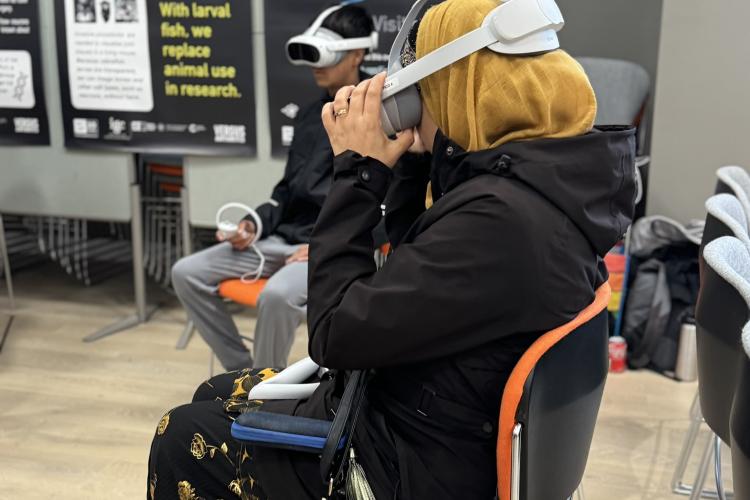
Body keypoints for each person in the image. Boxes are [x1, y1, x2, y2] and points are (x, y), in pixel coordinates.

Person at [148, 0, 637, 498]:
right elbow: (414, 260)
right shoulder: (537, 183)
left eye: (425, 89)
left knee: (180, 434)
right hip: (436, 419)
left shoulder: (496, 222)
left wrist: (358, 175)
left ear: (457, 87)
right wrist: (412, 159)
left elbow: (334, 334)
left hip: (405, 462)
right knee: (214, 391)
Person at [171, 5, 376, 371]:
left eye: (325, 54)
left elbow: (386, 204)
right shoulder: (309, 115)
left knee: (277, 296)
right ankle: (246, 374)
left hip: (327, 248)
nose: (316, 65)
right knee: (186, 272)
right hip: (280, 241)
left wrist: (328, 247)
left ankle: (262, 395)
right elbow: (287, 191)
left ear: (358, 53)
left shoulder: (380, 114)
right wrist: (253, 224)